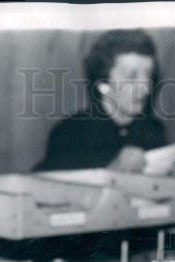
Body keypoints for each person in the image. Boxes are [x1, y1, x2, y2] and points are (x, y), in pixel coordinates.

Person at [35, 29, 165, 172]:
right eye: (131, 76)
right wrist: (112, 171)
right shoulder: (69, 135)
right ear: (102, 83)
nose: (145, 88)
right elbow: (52, 190)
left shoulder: (154, 130)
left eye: (148, 75)